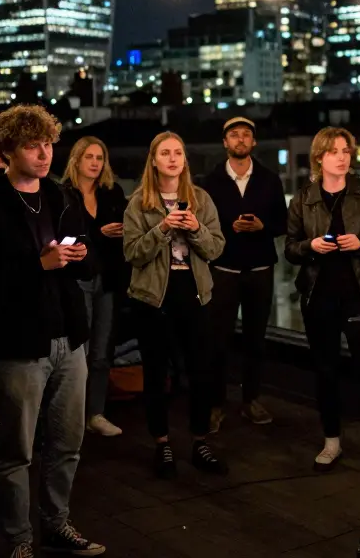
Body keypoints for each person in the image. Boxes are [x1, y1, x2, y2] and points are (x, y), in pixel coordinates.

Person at [0, 105, 105, 558]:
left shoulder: (62, 197)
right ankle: (18, 539)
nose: (44, 154)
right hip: (19, 343)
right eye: (31, 145)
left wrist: (81, 258)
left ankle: (56, 524)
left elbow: (92, 260)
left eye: (48, 144)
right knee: (16, 450)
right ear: (6, 151)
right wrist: (35, 265)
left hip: (69, 337)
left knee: (67, 443)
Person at [284, 127, 360, 471]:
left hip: (359, 295)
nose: (342, 157)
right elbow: (290, 249)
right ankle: (331, 440)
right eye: (334, 151)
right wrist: (311, 247)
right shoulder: (303, 198)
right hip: (318, 296)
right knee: (326, 370)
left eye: (346, 151)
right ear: (319, 158)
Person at [122, 131, 229, 477]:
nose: (172, 158)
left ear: (184, 160)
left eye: (178, 153)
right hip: (153, 297)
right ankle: (162, 443)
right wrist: (163, 229)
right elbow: (132, 253)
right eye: (165, 153)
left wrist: (196, 227)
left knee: (201, 370)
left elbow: (215, 249)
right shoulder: (139, 203)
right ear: (153, 160)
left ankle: (200, 441)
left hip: (194, 291)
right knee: (157, 373)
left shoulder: (200, 199)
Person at [203, 116, 288, 430]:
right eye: (234, 135)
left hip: (260, 269)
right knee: (218, 340)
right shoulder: (210, 181)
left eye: (246, 135)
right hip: (223, 269)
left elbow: (283, 222)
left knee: (256, 339)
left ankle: (251, 400)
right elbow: (202, 225)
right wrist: (230, 228)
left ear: (253, 143)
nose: (240, 139)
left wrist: (263, 226)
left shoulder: (269, 179)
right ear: (225, 143)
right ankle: (215, 404)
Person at [61, 136, 129, 438]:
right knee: (80, 351)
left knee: (102, 351)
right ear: (76, 160)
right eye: (89, 157)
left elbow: (130, 224)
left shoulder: (113, 193)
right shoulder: (64, 195)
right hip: (78, 278)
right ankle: (71, 416)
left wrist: (122, 231)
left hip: (109, 277)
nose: (95, 163)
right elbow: (64, 237)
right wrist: (98, 234)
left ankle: (95, 413)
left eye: (99, 157)